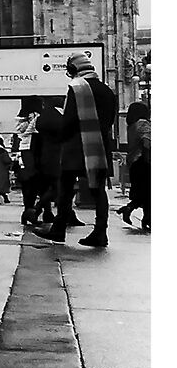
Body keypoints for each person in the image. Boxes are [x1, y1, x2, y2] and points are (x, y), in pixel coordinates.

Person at [43, 51, 119, 247]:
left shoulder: (76, 88)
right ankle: (100, 232)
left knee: (66, 189)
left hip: (76, 148)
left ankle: (59, 229)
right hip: (100, 147)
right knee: (98, 191)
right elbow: (111, 119)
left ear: (74, 69)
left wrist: (60, 139)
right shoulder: (107, 90)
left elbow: (68, 120)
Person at [117, 102, 150, 231]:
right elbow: (146, 143)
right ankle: (147, 219)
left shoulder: (132, 125)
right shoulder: (143, 123)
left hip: (134, 163)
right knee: (148, 193)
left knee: (143, 192)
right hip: (143, 162)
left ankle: (129, 209)